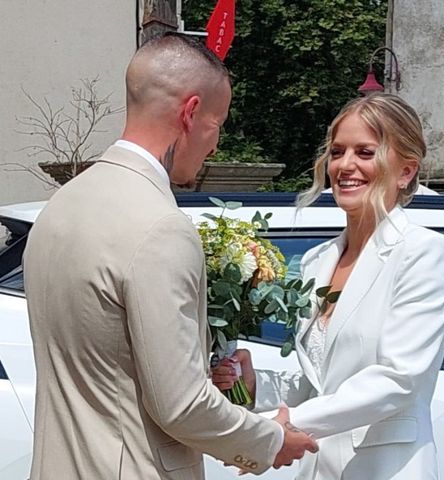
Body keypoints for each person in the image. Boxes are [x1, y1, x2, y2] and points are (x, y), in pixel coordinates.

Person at [23, 32, 316, 480]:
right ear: (191, 112)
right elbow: (181, 405)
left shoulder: (59, 207)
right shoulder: (160, 227)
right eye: (217, 125)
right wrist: (269, 440)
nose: (215, 145)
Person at [212, 93, 444, 479]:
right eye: (338, 151)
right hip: (317, 469)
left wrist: (286, 422)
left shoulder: (423, 253)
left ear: (406, 171)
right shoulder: (316, 260)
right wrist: (258, 384)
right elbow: (322, 383)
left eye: (365, 152)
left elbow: (399, 379)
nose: (345, 165)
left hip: (385, 468)